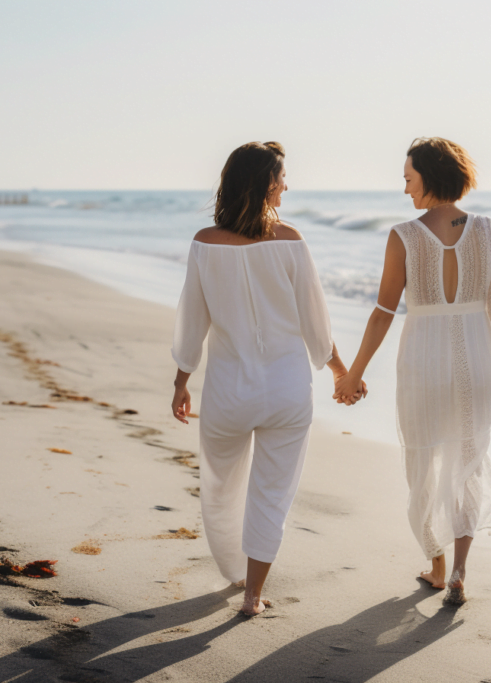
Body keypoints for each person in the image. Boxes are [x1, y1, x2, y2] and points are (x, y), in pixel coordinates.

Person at [172, 141, 364, 616]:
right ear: (263, 183)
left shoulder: (204, 242)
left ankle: (234, 570)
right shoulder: (292, 240)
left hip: (226, 391)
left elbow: (191, 320)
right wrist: (341, 373)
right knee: (271, 494)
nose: (286, 185)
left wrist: (181, 380)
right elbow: (316, 324)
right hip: (287, 389)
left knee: (220, 486)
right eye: (281, 176)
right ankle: (253, 595)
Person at [334, 137, 491, 605]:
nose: (405, 190)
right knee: (468, 460)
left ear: (429, 178)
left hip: (422, 358)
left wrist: (353, 374)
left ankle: (436, 567)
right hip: (476, 356)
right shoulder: (489, 229)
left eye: (408, 179)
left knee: (423, 463)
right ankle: (459, 570)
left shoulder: (404, 236)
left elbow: (383, 312)